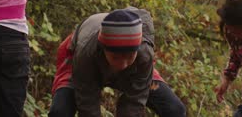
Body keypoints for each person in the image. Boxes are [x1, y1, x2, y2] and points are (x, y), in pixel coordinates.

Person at [48, 7, 186, 117]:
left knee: (174, 109)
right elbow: (87, 105)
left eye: (129, 56)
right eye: (116, 57)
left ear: (137, 50)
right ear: (103, 49)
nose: (123, 64)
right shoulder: (86, 54)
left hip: (135, 68)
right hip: (76, 58)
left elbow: (134, 104)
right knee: (60, 112)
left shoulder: (144, 54)